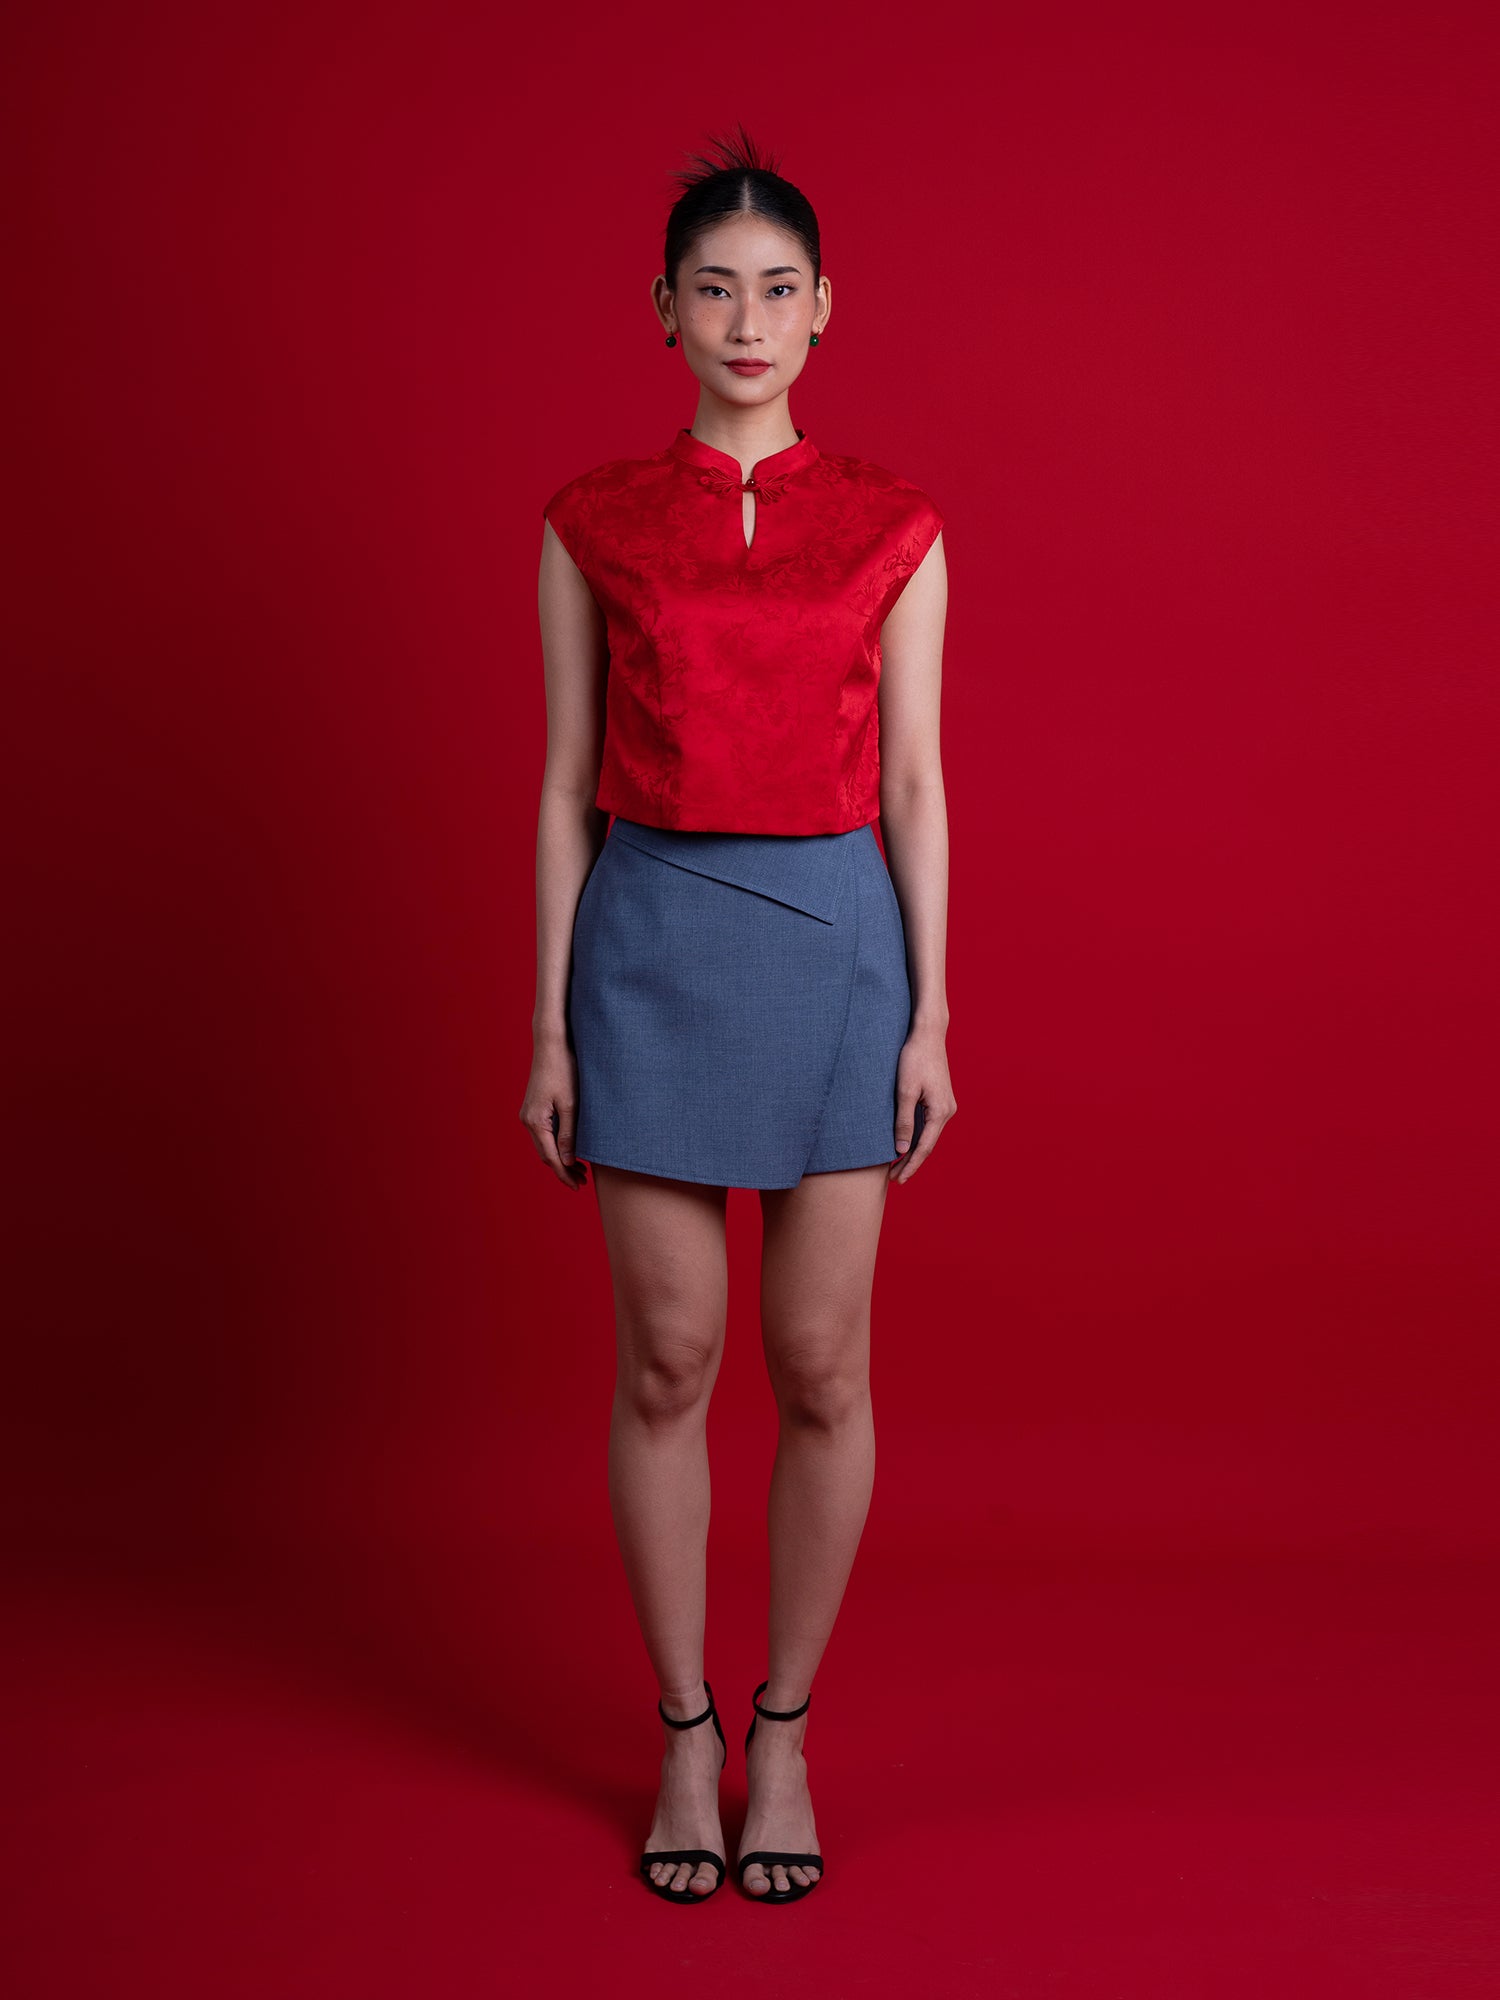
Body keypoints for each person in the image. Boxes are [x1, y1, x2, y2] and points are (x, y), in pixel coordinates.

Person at [521, 125, 955, 1906]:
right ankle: (685, 1734)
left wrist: (934, 1017)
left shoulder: (898, 524)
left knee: (824, 1364)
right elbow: (564, 787)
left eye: (780, 289)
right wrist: (550, 1029)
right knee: (669, 1360)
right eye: (717, 290)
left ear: (826, 307)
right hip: (648, 945)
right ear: (666, 310)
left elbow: (916, 782)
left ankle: (785, 1729)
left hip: (841, 945)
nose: (750, 321)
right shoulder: (593, 522)